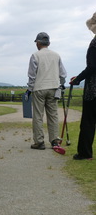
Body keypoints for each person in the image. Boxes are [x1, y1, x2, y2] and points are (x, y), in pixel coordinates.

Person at [25, 32, 67, 150]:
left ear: (38, 43)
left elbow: (32, 75)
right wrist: (62, 84)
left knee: (38, 116)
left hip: (39, 88)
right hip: (54, 87)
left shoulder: (35, 56)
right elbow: (63, 74)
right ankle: (54, 141)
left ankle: (39, 142)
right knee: (53, 115)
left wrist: (29, 89)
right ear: (48, 43)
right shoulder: (56, 55)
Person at [69, 12, 96, 160]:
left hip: (94, 90)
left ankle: (85, 153)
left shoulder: (94, 43)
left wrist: (78, 79)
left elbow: (92, 67)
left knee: (88, 122)